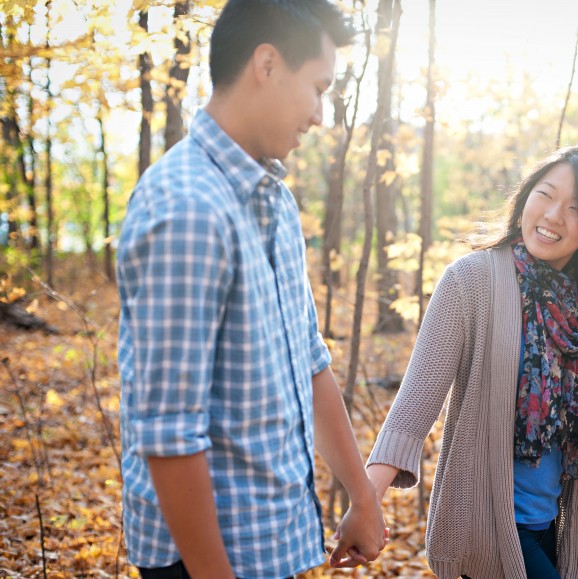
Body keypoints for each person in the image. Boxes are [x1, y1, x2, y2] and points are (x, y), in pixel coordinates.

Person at [116, 1, 385, 577]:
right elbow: (168, 434)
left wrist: (362, 497)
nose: (319, 115)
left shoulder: (274, 201)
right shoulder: (186, 207)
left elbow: (310, 366)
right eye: (317, 88)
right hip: (206, 557)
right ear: (266, 63)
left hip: (274, 540)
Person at [362, 146, 578, 578]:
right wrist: (365, 501)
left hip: (555, 525)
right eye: (545, 194)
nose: (553, 215)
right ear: (526, 196)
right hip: (489, 528)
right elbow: (414, 405)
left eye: (576, 208)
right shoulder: (471, 281)